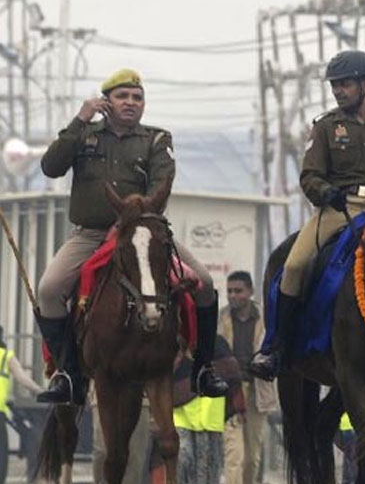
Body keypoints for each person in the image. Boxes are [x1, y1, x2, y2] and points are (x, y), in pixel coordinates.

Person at [35, 69, 228, 404]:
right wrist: (80, 120)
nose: (130, 103)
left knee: (205, 283)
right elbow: (51, 167)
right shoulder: (84, 134)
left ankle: (203, 369)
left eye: (137, 98)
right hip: (91, 234)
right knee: (49, 290)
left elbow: (161, 184)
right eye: (122, 96)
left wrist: (133, 217)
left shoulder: (156, 139)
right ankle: (68, 374)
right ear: (105, 101)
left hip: (142, 234)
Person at [248, 50, 365, 377]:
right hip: (338, 209)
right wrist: (325, 192)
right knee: (293, 265)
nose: (337, 91)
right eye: (335, 85)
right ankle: (277, 347)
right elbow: (309, 176)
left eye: (345, 84)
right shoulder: (325, 127)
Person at [218, 271, 277, 484]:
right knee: (235, 455)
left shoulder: (267, 319)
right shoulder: (221, 319)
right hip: (231, 393)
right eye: (230, 291)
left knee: (252, 457)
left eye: (238, 290)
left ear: (250, 292)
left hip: (258, 392)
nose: (233, 296)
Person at [172, 338, 241, 484]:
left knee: (206, 475)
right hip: (181, 419)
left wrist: (235, 408)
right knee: (179, 467)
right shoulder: (175, 346)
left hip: (211, 421)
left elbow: (232, 375)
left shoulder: (218, 344)